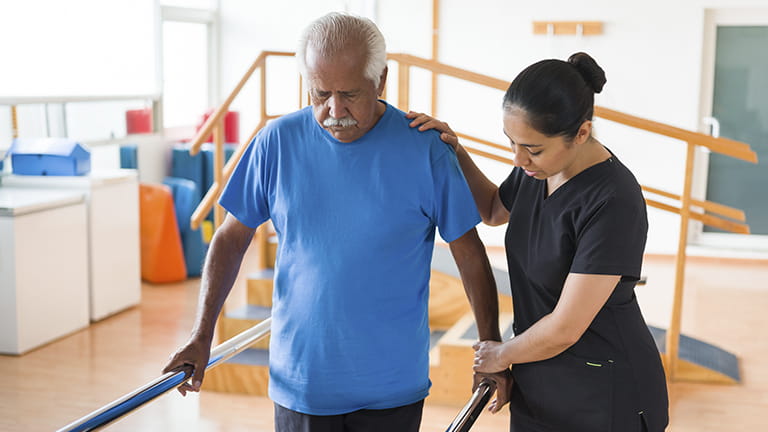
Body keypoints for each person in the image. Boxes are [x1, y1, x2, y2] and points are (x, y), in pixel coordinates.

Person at [163, 12, 511, 432]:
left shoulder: (425, 148)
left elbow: (470, 254)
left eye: (349, 94)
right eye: (319, 93)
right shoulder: (276, 142)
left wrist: (489, 345)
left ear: (381, 80)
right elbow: (231, 237)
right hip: (303, 385)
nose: (333, 109)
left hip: (392, 389)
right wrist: (202, 334)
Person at [407, 52, 669, 431]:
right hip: (540, 378)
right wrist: (455, 150)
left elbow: (566, 327)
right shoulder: (538, 171)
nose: (519, 158)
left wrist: (499, 354)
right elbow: (495, 209)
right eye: (512, 142)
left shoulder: (614, 200)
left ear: (581, 133)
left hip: (605, 390)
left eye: (533, 148)